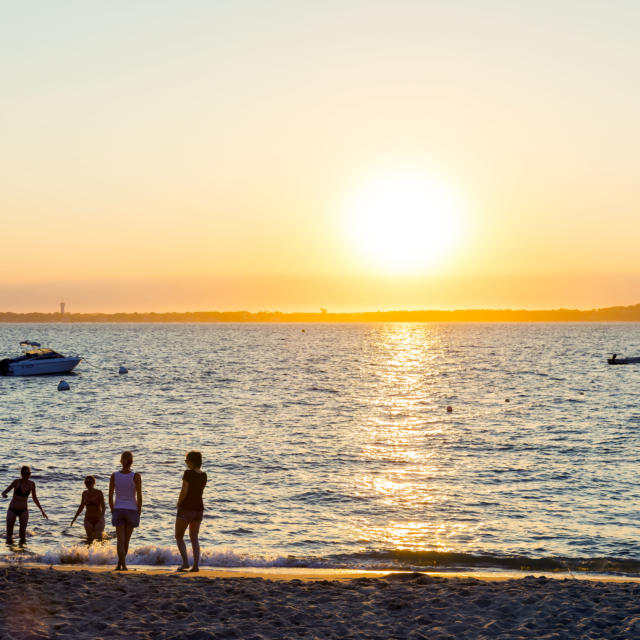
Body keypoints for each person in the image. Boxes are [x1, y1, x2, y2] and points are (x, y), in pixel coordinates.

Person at [108, 451, 142, 571]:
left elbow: (110, 495)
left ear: (121, 461)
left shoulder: (114, 475)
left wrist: (113, 509)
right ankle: (123, 565)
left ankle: (120, 565)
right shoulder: (136, 476)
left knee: (120, 541)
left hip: (118, 509)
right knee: (126, 541)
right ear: (131, 461)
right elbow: (139, 496)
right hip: (132, 509)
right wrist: (139, 511)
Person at [175, 450, 207, 572]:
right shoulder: (204, 475)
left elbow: (184, 491)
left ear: (192, 461)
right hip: (199, 509)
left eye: (187, 460)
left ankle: (185, 563)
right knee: (194, 538)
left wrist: (178, 503)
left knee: (179, 536)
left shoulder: (188, 473)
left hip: (187, 508)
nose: (186, 462)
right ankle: (196, 566)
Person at [2, 465, 48, 542]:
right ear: (22, 474)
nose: (27, 475)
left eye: (29, 473)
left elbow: (35, 498)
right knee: (9, 535)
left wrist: (42, 511)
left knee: (22, 536)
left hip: (24, 510)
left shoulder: (32, 484)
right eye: (25, 473)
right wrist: (4, 494)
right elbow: (4, 492)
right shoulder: (16, 482)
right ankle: (10, 551)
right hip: (12, 509)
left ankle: (22, 551)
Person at [70, 475, 106, 542]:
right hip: (88, 520)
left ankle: (101, 552)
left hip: (98, 519)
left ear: (94, 483)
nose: (88, 484)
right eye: (86, 483)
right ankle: (88, 552)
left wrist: (102, 518)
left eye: (90, 482)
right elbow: (81, 507)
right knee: (89, 540)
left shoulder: (99, 493)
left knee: (99, 539)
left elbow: (104, 507)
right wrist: (74, 518)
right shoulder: (84, 493)